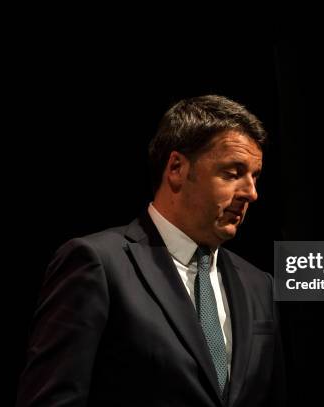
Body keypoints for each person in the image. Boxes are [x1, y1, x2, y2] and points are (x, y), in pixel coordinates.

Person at [16, 95, 286, 406]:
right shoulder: (98, 264)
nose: (251, 193)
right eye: (232, 173)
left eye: (255, 176)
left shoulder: (259, 285)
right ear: (176, 168)